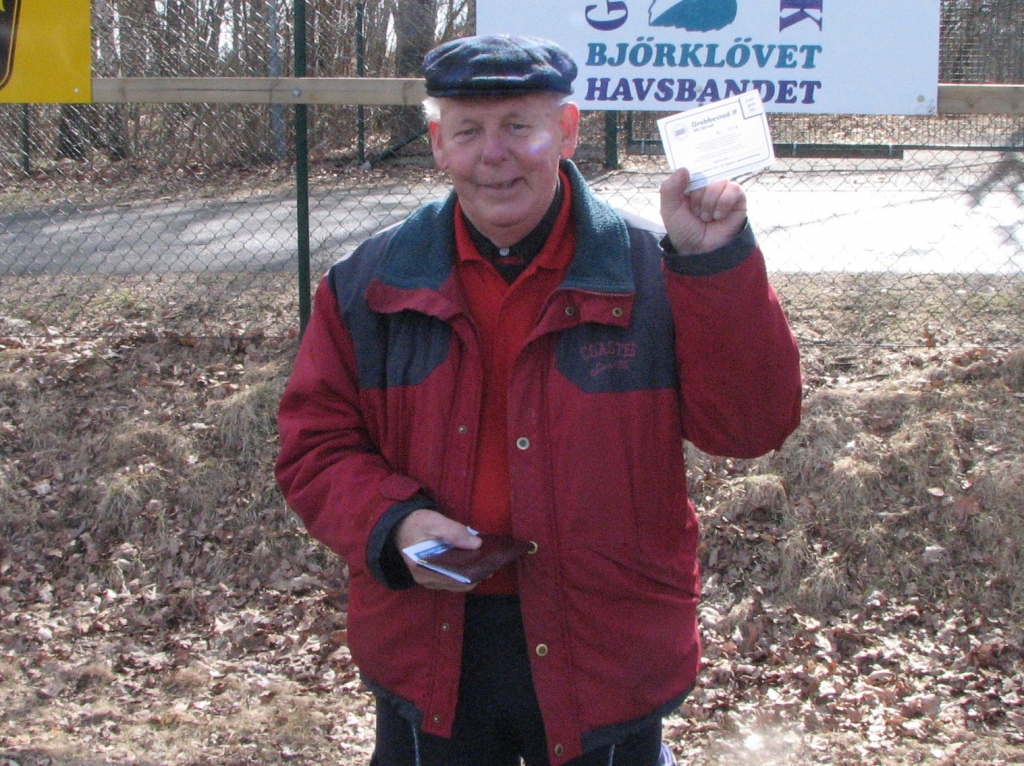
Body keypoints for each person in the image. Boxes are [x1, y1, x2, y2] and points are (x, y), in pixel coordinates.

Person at [276, 34, 801, 766]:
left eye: (519, 126)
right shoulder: (369, 283)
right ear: (438, 145)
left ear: (567, 131)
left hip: (607, 651)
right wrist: (392, 525)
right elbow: (314, 446)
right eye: (469, 130)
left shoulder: (653, 271)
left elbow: (749, 427)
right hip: (429, 644)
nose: (495, 155)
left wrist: (716, 265)